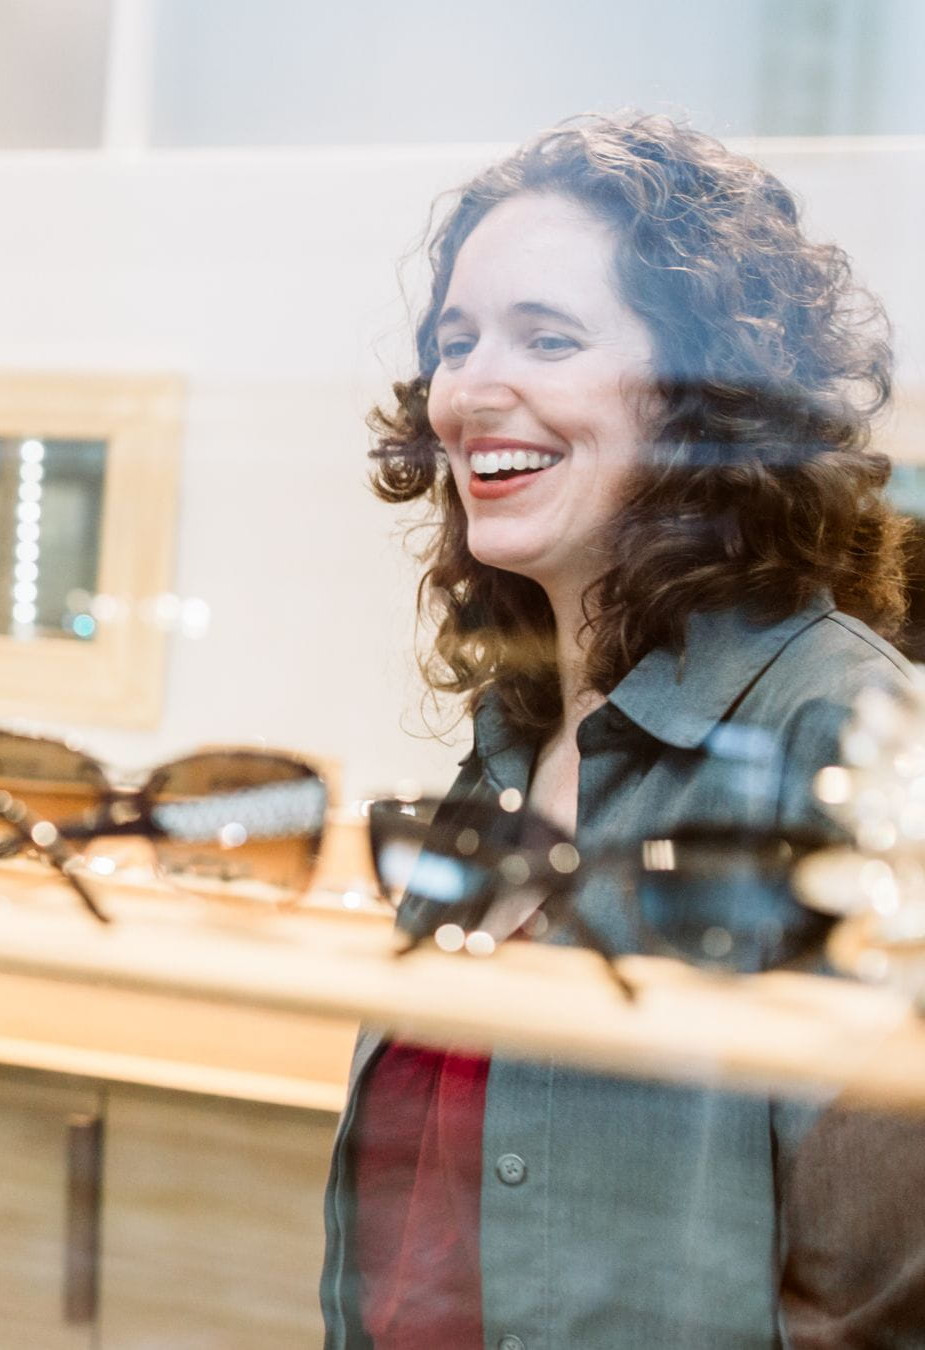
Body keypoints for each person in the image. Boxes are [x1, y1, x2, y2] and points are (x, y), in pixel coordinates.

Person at [323, 113, 917, 1347]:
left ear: (710, 395)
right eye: (456, 341)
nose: (476, 388)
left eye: (550, 337)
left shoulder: (841, 732)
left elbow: (875, 1302)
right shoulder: (513, 734)